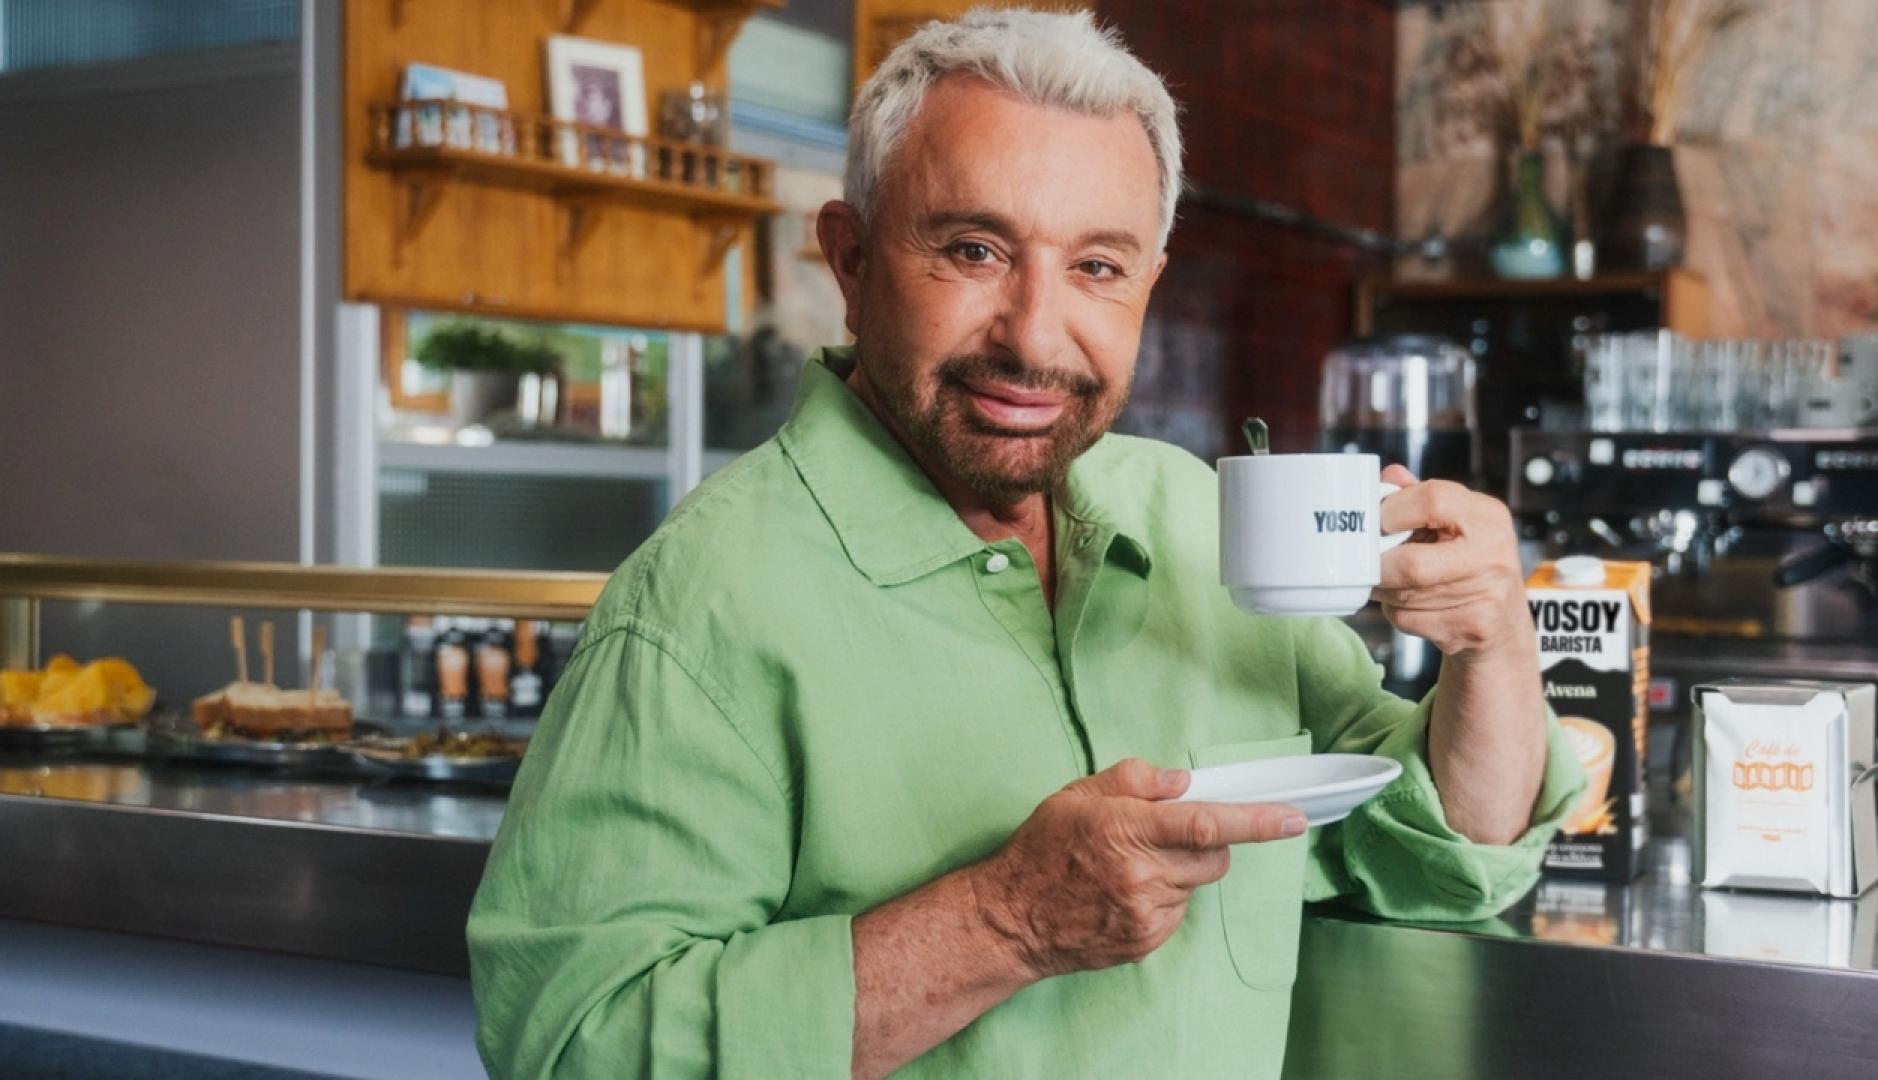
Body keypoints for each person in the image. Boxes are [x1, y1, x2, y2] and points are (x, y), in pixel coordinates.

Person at [469, 10, 1586, 1078]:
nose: (1036, 336)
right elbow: (576, 1047)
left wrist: (1494, 646)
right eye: (973, 250)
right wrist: (1002, 920)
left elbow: (1435, 851)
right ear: (851, 264)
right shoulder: (700, 605)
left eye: (1098, 266)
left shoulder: (1196, 517)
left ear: (1148, 283)